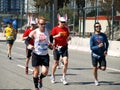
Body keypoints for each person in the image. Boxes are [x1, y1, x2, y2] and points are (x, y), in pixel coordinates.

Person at [25, 16, 52, 90]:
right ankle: (36, 87)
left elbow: (51, 39)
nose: (43, 25)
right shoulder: (34, 32)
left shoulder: (48, 31)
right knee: (36, 71)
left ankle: (40, 78)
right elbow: (26, 41)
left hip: (45, 55)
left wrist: (51, 45)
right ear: (38, 24)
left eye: (44, 24)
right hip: (36, 54)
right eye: (41, 24)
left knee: (45, 72)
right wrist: (29, 45)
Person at [50, 14, 71, 85]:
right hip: (56, 47)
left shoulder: (66, 29)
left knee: (66, 62)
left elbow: (68, 36)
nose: (63, 23)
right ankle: (52, 76)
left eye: (64, 22)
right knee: (56, 63)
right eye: (61, 22)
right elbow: (51, 38)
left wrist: (68, 38)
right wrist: (57, 35)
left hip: (64, 47)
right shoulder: (55, 29)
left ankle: (63, 77)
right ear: (59, 22)